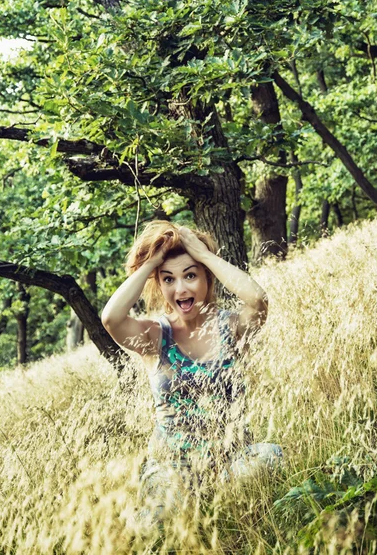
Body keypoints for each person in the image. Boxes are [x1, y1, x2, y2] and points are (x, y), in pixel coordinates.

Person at [101, 221, 282, 526]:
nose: (180, 288)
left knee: (269, 456)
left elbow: (258, 300)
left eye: (190, 275)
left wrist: (205, 255)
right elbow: (111, 318)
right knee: (160, 518)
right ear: (159, 284)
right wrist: (151, 264)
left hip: (232, 461)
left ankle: (219, 508)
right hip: (173, 469)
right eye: (168, 279)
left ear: (206, 278)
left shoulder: (231, 327)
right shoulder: (154, 336)